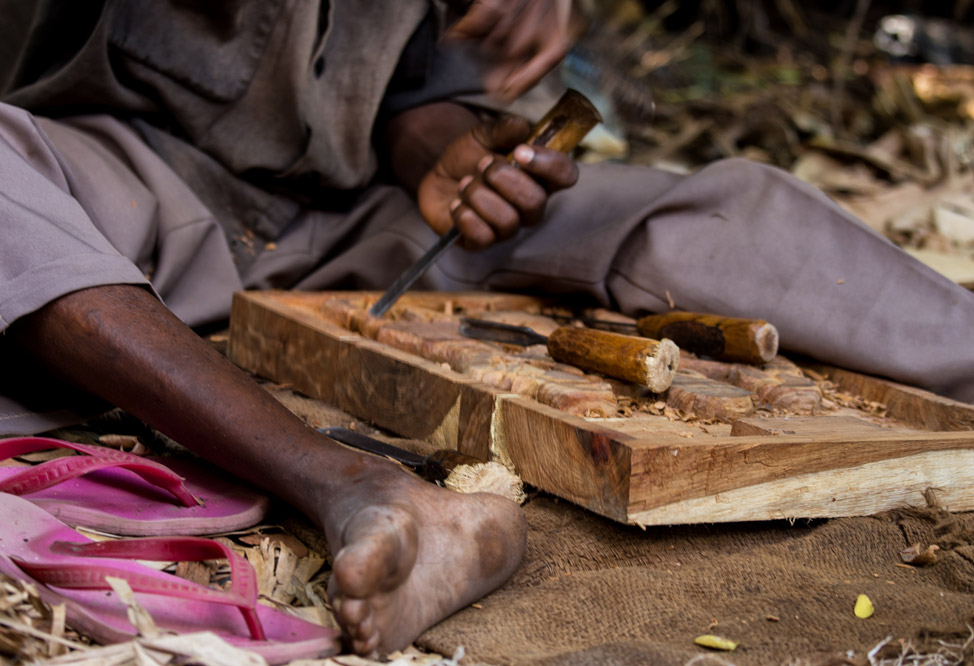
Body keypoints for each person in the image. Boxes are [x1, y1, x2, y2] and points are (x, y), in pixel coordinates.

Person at [0, 0, 971, 657]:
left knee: (718, 213)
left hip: (365, 222)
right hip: (122, 195)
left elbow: (397, 94)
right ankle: (359, 490)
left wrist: (443, 145)